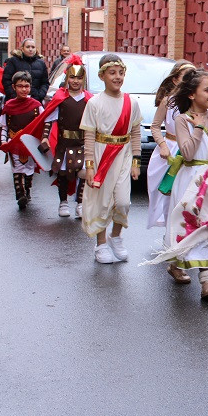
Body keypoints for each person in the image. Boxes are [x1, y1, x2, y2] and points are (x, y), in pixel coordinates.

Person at [141, 70, 208, 296]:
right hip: (190, 179)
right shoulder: (182, 119)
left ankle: (179, 265)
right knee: (190, 225)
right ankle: (207, 280)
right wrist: (199, 127)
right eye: (207, 90)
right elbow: (188, 153)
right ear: (192, 95)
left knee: (206, 226)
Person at [80, 54, 143, 264]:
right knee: (102, 201)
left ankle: (116, 236)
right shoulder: (94, 103)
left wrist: (136, 161)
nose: (117, 77)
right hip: (101, 155)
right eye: (112, 73)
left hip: (123, 155)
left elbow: (135, 133)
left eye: (121, 73)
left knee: (123, 202)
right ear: (102, 75)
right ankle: (100, 244)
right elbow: (89, 136)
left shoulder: (131, 102)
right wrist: (89, 165)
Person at [146, 60, 195, 230]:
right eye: (186, 78)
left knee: (186, 194)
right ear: (175, 80)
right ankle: (169, 234)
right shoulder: (168, 101)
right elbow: (155, 126)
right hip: (171, 150)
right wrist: (163, 146)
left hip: (190, 150)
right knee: (168, 194)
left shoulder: (196, 102)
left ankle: (183, 233)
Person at [41, 55, 92, 219]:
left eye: (79, 77)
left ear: (83, 79)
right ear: (67, 77)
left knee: (83, 173)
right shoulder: (60, 98)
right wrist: (45, 138)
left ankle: (80, 204)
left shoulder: (89, 100)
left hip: (82, 143)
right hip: (64, 143)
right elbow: (49, 119)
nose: (75, 81)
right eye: (72, 77)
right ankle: (63, 202)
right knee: (63, 174)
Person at [0, 72, 43, 210]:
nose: (24, 89)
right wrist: (3, 141)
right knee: (17, 168)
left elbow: (44, 124)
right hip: (14, 143)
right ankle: (20, 194)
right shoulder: (9, 106)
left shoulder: (36, 106)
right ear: (13, 87)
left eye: (27, 86)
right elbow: (4, 126)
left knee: (29, 168)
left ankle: (27, 191)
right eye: (20, 86)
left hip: (30, 144)